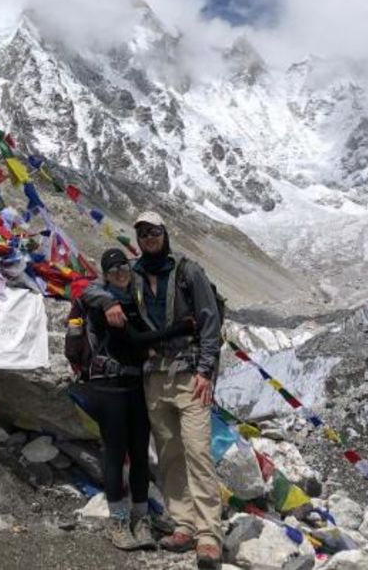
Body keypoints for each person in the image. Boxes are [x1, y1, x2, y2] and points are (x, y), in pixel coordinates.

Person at [81, 212, 224, 570]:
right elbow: (90, 288)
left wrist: (206, 370)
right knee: (170, 453)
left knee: (198, 452)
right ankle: (183, 524)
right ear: (138, 237)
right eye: (142, 232)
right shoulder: (135, 273)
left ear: (165, 233)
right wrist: (108, 302)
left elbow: (209, 320)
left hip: (190, 375)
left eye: (154, 231)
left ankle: (209, 535)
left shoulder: (188, 272)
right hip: (154, 379)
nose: (149, 237)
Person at [69, 248, 193, 551]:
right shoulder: (104, 304)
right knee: (115, 453)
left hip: (136, 385)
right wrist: (181, 328)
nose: (121, 273)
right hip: (109, 387)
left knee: (139, 453)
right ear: (106, 274)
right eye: (113, 270)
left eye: (125, 266)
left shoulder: (133, 299)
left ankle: (141, 518)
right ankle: (119, 521)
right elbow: (135, 340)